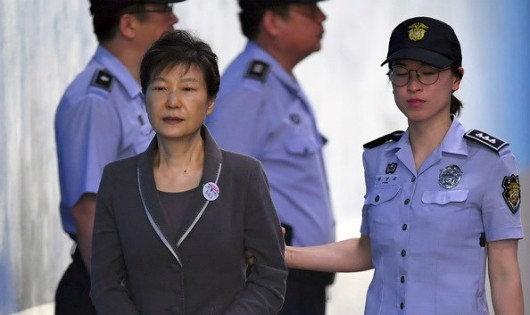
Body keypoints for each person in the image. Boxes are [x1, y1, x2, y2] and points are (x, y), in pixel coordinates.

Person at [285, 16, 525, 314]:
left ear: (456, 78)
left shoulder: (489, 161)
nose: (414, 86)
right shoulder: (377, 158)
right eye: (401, 73)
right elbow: (368, 249)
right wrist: (283, 254)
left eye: (428, 73)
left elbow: (503, 271)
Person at [90, 29, 287, 315]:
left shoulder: (243, 176)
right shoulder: (117, 180)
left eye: (188, 88)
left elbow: (270, 277)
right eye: (159, 88)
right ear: (144, 96)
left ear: (210, 102)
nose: (172, 102)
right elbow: (105, 285)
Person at [54, 1, 186, 313]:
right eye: (164, 11)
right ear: (128, 25)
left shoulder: (140, 95)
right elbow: (90, 210)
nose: (174, 19)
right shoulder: (96, 100)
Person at [205, 1, 335, 314]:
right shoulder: (249, 89)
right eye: (310, 10)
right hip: (272, 280)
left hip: (298, 278)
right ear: (273, 22)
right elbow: (214, 187)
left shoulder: (276, 83)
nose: (322, 16)